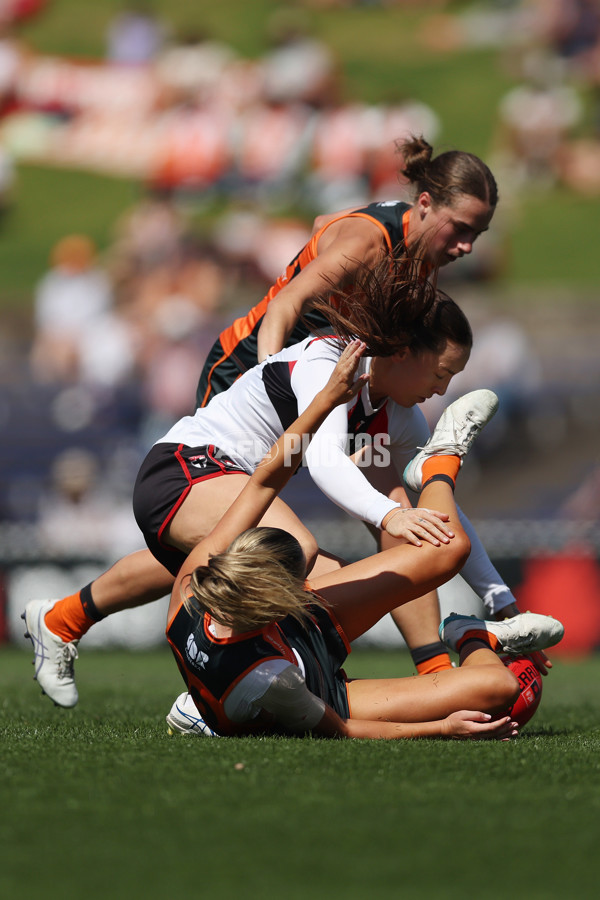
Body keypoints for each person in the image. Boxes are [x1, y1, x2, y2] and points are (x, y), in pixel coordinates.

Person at [22, 137, 515, 705]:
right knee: (265, 540)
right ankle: (214, 672)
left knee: (314, 534)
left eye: (476, 234)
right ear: (425, 203)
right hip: (255, 371)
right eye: (460, 227)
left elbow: (321, 223)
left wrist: (495, 591)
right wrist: (281, 394)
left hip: (331, 390)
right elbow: (284, 306)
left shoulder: (414, 267)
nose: (467, 245)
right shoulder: (371, 246)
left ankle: (423, 666)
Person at [161, 340, 563, 739]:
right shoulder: (270, 680)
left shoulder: (194, 578)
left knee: (450, 548)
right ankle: (474, 635)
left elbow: (266, 477)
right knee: (499, 690)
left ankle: (440, 457)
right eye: (294, 586)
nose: (304, 586)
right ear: (271, 600)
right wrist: (443, 727)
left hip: (284, 638)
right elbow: (343, 728)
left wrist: (325, 401)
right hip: (318, 688)